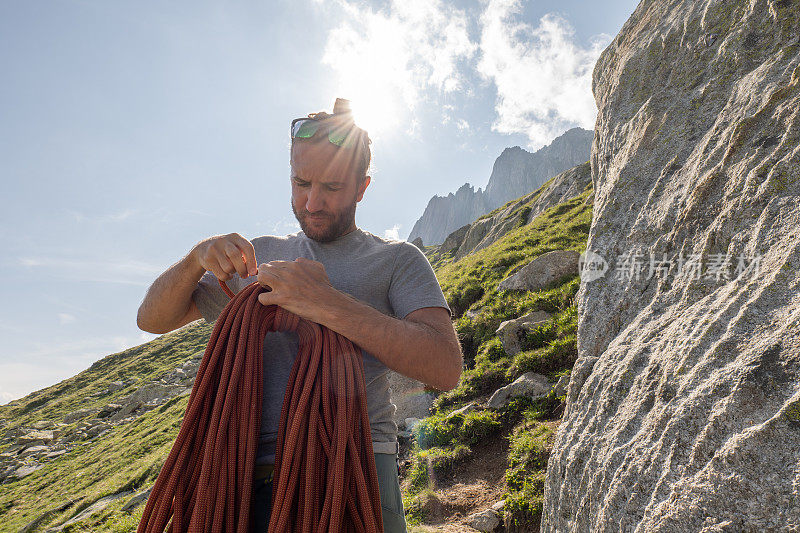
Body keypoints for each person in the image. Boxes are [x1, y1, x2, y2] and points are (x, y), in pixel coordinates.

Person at [136, 98, 463, 532]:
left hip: (353, 469)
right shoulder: (258, 257)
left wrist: (324, 302)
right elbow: (152, 318)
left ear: (362, 188)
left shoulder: (398, 261)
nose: (312, 202)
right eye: (301, 182)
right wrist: (196, 259)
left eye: (332, 187)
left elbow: (444, 366)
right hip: (236, 475)